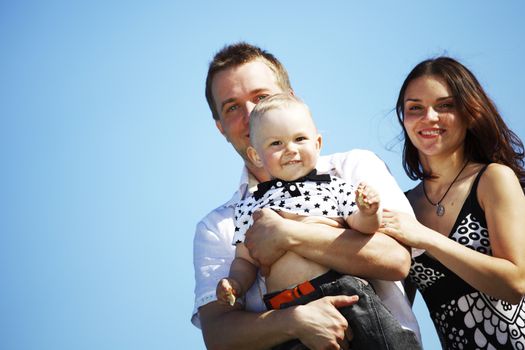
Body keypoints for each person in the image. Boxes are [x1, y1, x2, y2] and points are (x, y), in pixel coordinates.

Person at [193, 42, 421, 350]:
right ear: (220, 127)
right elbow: (219, 337)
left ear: (291, 99)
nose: (250, 114)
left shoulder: (351, 169)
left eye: (261, 97)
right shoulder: (219, 225)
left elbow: (395, 259)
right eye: (232, 107)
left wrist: (287, 234)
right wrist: (294, 321)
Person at [379, 56, 525, 349]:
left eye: (445, 106)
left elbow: (516, 284)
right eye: (415, 108)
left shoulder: (493, 179)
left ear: (470, 113)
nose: (429, 117)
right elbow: (396, 308)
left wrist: (427, 239)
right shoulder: (404, 206)